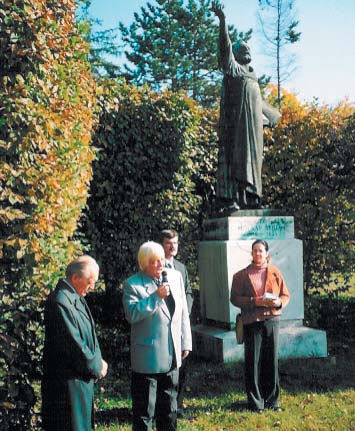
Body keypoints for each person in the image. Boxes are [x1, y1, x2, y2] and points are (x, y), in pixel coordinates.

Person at [211, 1, 280, 210]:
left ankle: (252, 198)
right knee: (236, 161)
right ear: (237, 54)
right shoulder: (234, 70)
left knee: (254, 162)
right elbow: (225, 48)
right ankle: (234, 199)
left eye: (249, 48)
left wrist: (270, 116)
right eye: (243, 48)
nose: (247, 49)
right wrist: (223, 21)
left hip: (254, 131)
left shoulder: (252, 75)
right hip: (236, 128)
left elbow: (258, 102)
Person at [123, 241, 192, 431]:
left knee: (169, 409)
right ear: (144, 264)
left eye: (161, 260)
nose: (160, 265)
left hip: (172, 356)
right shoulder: (132, 284)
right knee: (145, 411)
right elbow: (132, 314)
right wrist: (156, 297)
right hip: (148, 359)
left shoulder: (175, 277)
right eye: (154, 262)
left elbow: (183, 311)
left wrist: (186, 341)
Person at [41, 255, 108, 431]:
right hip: (66, 388)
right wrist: (95, 366)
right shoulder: (60, 302)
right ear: (75, 278)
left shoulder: (76, 298)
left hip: (80, 383)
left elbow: (90, 335)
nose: (92, 287)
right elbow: (73, 344)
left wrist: (99, 361)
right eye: (90, 281)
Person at [230, 239, 290, 412]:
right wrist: (254, 301)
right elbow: (234, 298)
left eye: (261, 251)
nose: (257, 253)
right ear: (251, 254)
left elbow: (285, 295)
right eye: (255, 250)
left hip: (272, 321)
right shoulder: (241, 275)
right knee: (253, 362)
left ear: (267, 254)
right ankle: (256, 403)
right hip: (251, 321)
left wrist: (279, 303)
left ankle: (272, 401)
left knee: (271, 360)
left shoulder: (275, 273)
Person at [160, 229, 193, 417]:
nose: (173, 247)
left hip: (181, 324)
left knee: (183, 364)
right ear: (161, 244)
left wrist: (184, 312)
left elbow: (188, 292)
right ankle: (164, 405)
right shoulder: (155, 266)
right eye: (168, 243)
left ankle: (178, 405)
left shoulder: (181, 267)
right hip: (164, 325)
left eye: (175, 243)